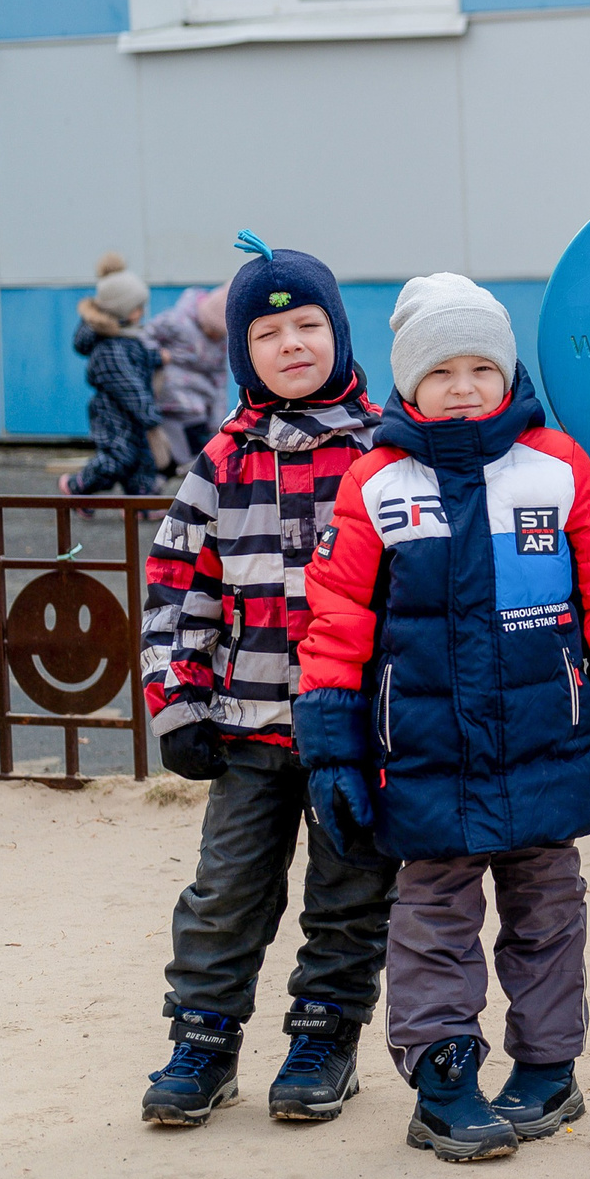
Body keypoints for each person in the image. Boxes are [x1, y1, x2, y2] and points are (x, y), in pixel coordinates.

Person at [296, 274, 590, 1161]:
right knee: (433, 918)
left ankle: (547, 1067)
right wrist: (333, 755)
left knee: (549, 910)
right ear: (408, 381)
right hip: (427, 753)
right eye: (441, 370)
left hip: (546, 740)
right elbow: (336, 622)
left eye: (480, 367)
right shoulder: (376, 483)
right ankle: (445, 1080)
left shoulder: (557, 467)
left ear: (507, 372)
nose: (463, 387)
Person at [137, 233, 393, 1127]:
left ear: (341, 333)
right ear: (244, 352)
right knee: (227, 887)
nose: (292, 345)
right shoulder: (222, 461)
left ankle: (324, 1038)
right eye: (268, 335)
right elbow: (176, 590)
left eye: (309, 326)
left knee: (351, 888)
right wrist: (177, 703)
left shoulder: (385, 454)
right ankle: (203, 1041)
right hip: (247, 727)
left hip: (356, 731)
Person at [64, 253, 164, 500]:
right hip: (112, 414)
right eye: (137, 307)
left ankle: (140, 501)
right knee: (118, 457)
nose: (142, 312)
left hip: (131, 413)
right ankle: (77, 486)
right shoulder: (110, 349)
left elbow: (140, 358)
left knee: (141, 458)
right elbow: (129, 386)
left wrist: (158, 357)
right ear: (121, 311)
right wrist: (151, 416)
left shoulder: (127, 336)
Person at [145, 285, 233, 464]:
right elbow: (144, 337)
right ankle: (179, 461)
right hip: (171, 391)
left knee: (201, 427)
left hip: (201, 398)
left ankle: (192, 461)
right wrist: (158, 355)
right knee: (182, 433)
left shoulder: (220, 341)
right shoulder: (176, 321)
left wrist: (218, 422)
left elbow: (219, 378)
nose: (213, 336)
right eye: (211, 329)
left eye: (219, 333)